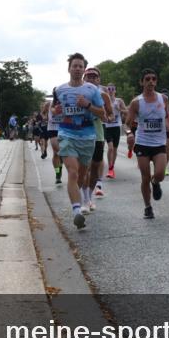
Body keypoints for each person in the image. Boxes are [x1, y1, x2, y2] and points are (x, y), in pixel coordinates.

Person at [52, 53, 106, 229]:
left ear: (83, 70)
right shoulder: (60, 90)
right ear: (69, 69)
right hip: (67, 135)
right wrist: (56, 111)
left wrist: (88, 105)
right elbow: (54, 111)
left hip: (88, 137)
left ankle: (82, 199)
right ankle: (76, 212)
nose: (77, 68)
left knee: (82, 175)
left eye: (80, 66)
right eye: (74, 65)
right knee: (73, 173)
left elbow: (103, 114)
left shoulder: (92, 90)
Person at [125, 68, 169, 219]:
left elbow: (167, 116)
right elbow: (127, 124)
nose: (151, 81)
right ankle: (148, 207)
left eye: (153, 79)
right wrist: (129, 133)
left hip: (159, 143)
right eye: (147, 79)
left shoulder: (163, 99)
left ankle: (155, 182)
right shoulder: (136, 103)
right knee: (145, 177)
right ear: (142, 82)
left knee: (160, 174)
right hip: (143, 143)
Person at [82, 67, 113, 207]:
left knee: (94, 167)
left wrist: (107, 118)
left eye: (94, 77)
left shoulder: (104, 95)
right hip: (81, 133)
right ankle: (84, 198)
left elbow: (110, 114)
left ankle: (89, 195)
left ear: (99, 80)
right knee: (85, 168)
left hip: (98, 134)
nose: (91, 79)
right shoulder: (79, 93)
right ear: (84, 78)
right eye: (88, 76)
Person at [104, 84, 126, 179]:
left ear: (115, 91)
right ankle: (110, 168)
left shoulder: (119, 101)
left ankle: (112, 167)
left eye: (113, 89)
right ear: (106, 91)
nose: (111, 90)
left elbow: (127, 111)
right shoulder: (104, 101)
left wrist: (119, 109)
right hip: (107, 127)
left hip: (116, 127)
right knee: (110, 148)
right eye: (109, 89)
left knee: (115, 149)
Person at [44, 95, 63, 183]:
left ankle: (60, 165)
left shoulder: (65, 102)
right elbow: (45, 114)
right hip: (52, 129)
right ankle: (58, 174)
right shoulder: (49, 104)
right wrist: (45, 114)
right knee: (56, 152)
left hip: (63, 129)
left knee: (61, 153)